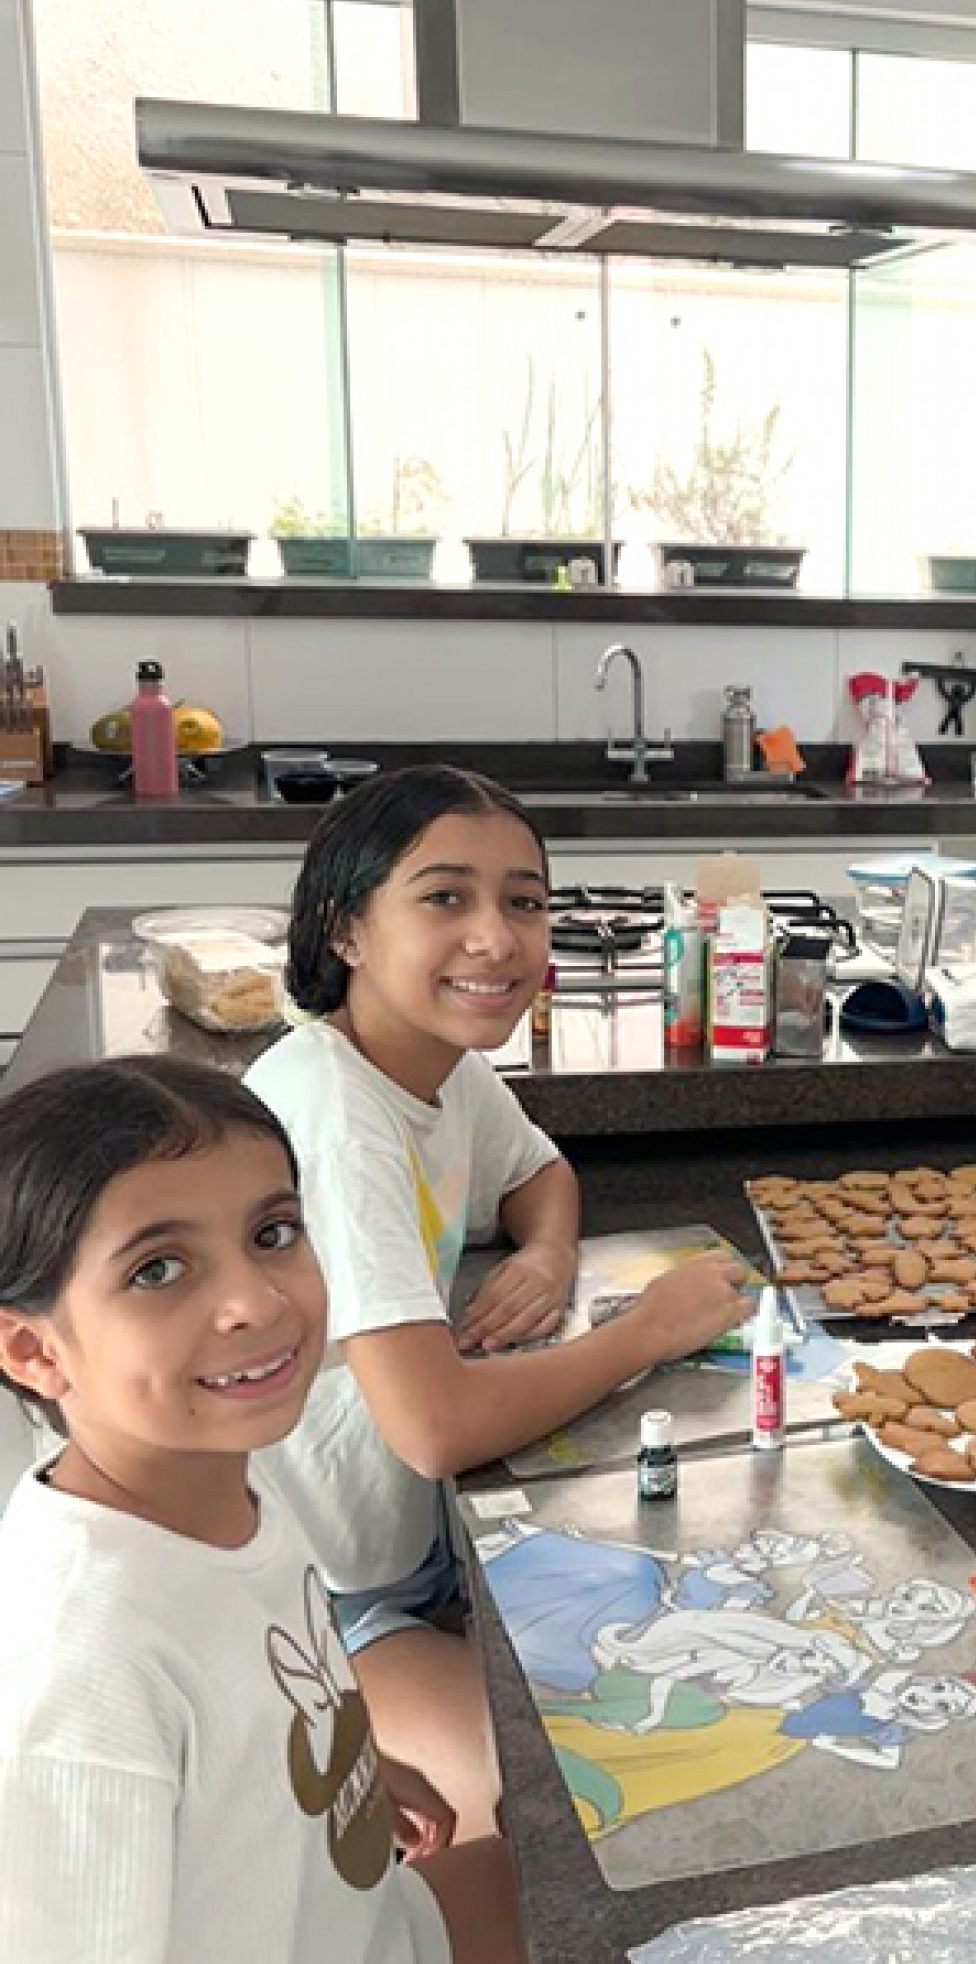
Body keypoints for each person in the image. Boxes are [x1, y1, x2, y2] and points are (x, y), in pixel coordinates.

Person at [0, 1058, 574, 1964]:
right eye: (160, 1268)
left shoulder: (216, 1480)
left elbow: (261, 1677)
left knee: (620, 1888)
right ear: (36, 1347)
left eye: (272, 1231)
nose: (255, 1299)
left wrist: (366, 1765)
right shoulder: (70, 1660)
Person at [247, 765, 746, 1834]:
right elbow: (435, 1426)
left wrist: (549, 1254)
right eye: (444, 897)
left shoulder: (428, 1062)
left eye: (524, 900)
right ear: (345, 930)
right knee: (574, 1802)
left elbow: (539, 1171)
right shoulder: (333, 1116)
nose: (496, 936)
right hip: (309, 1604)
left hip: (409, 1552)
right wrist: (649, 1329)